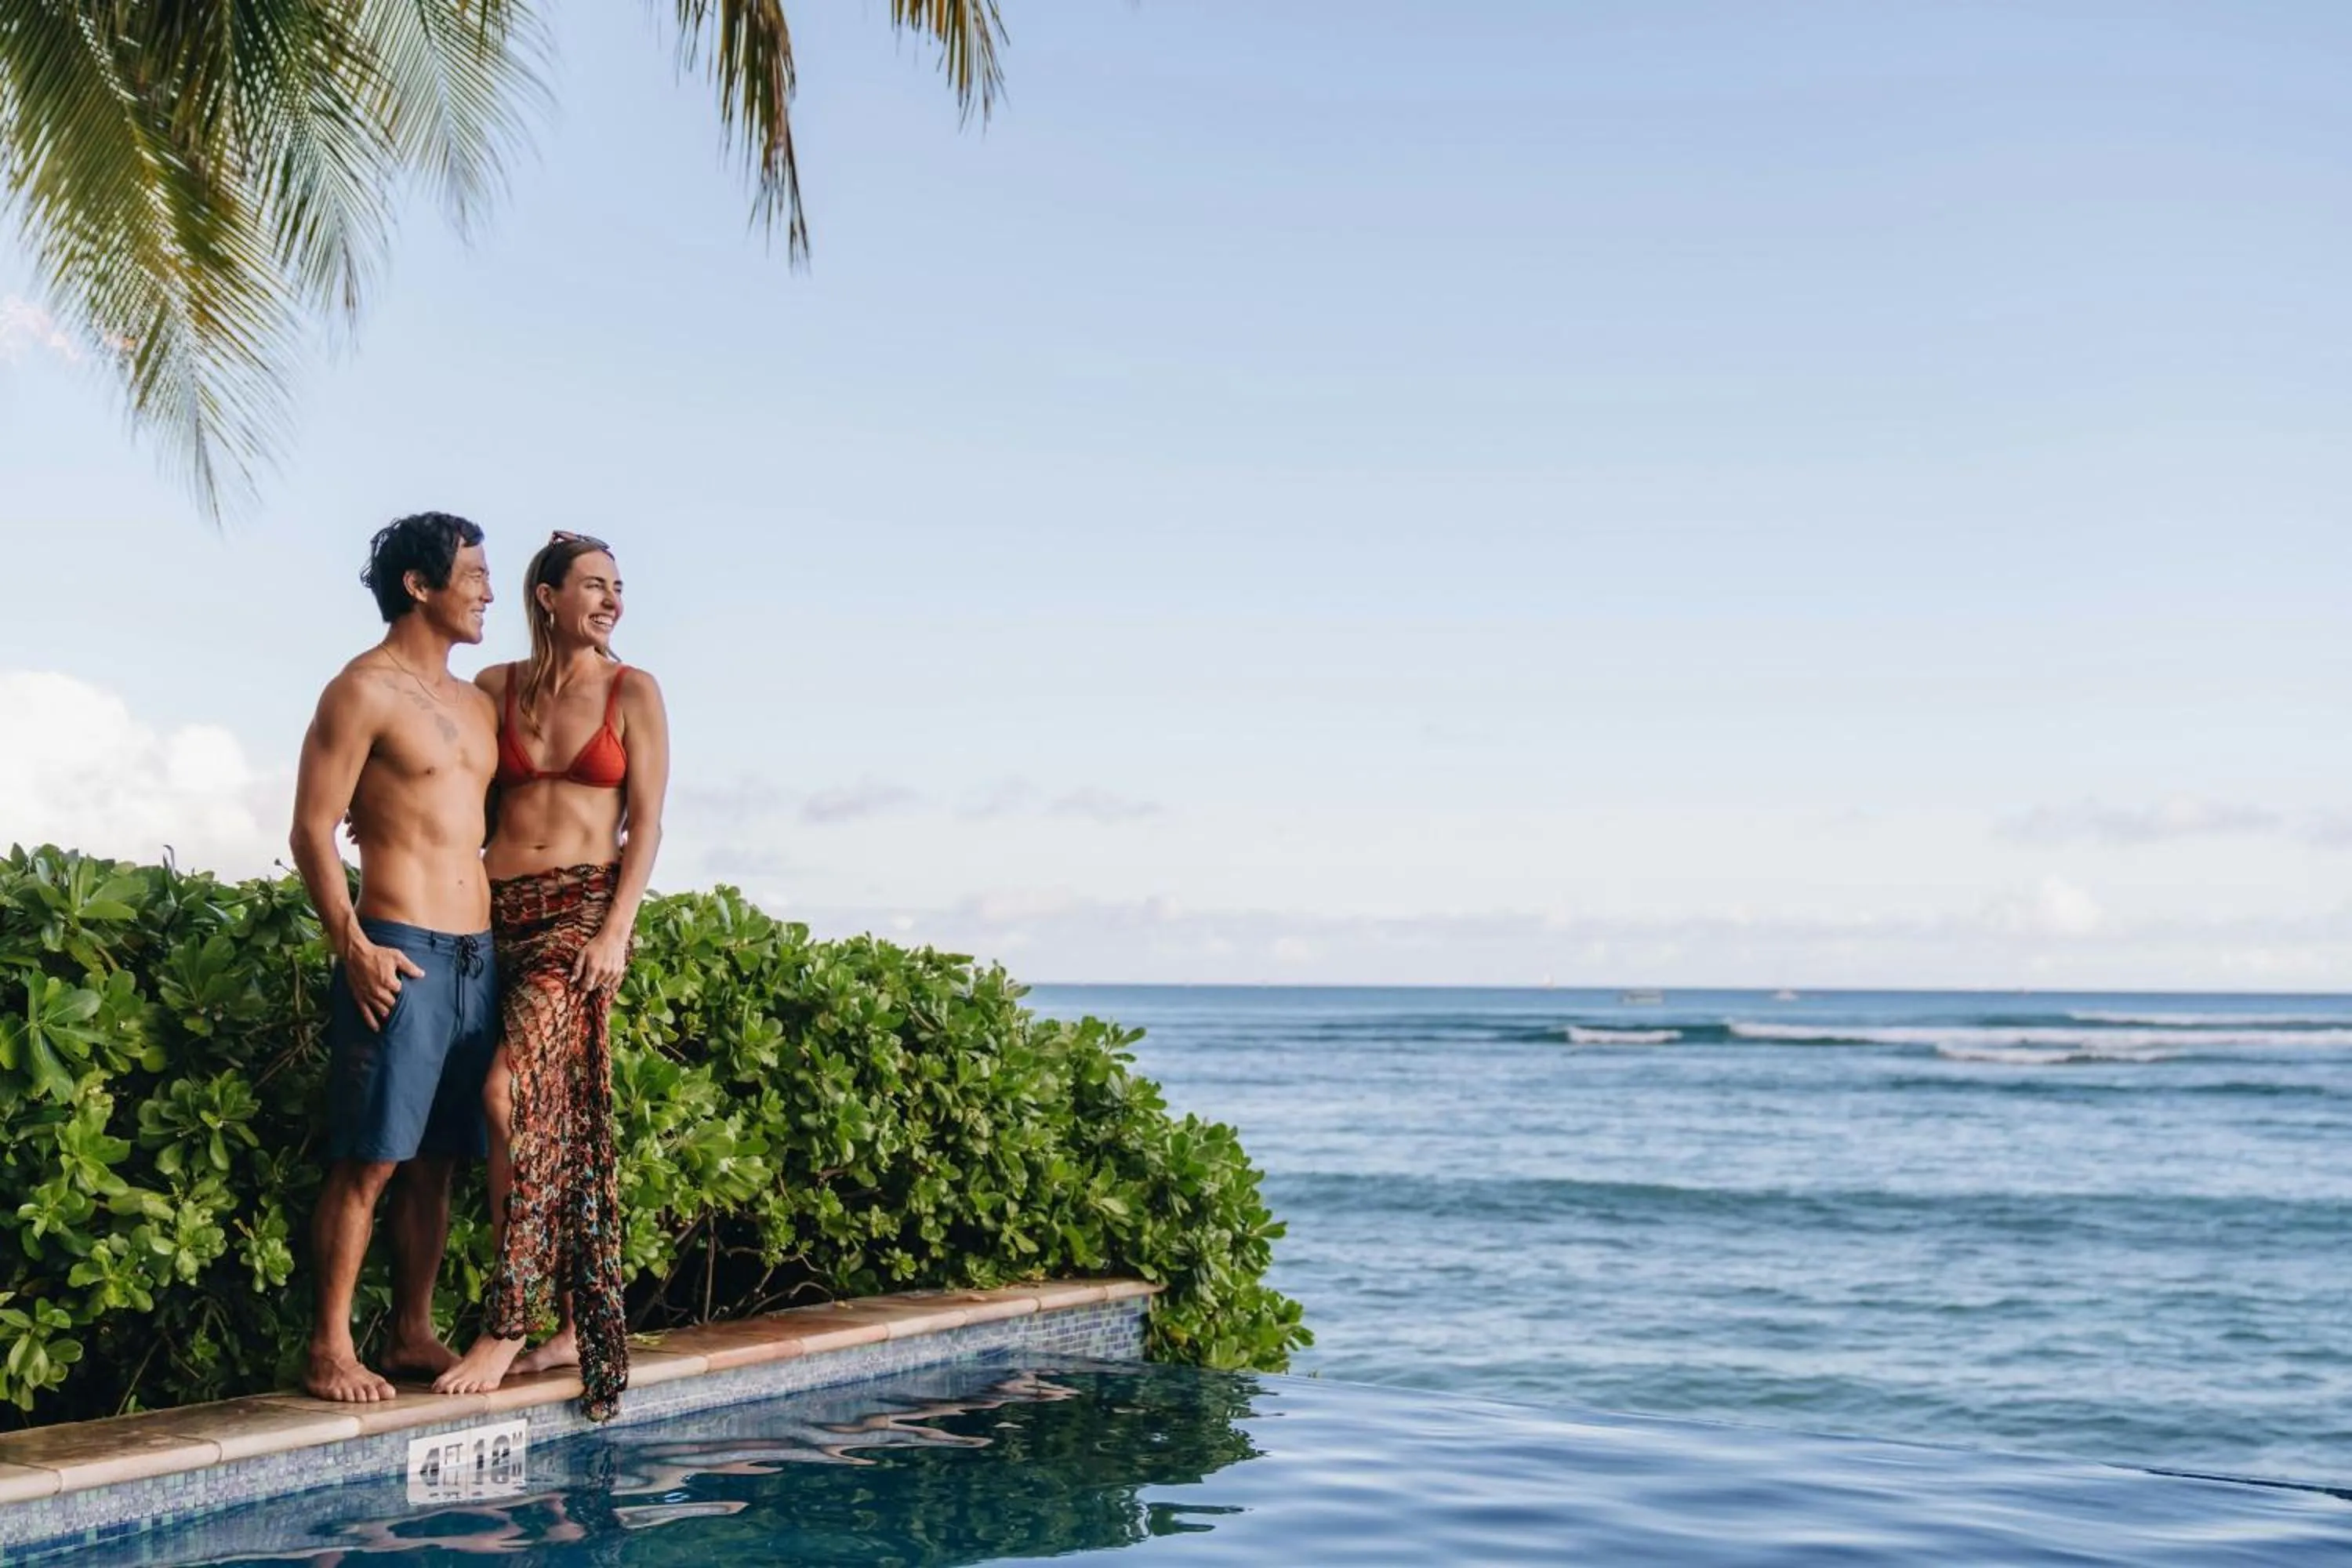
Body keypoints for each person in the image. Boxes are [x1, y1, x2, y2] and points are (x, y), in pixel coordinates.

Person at [435, 530, 670, 1421]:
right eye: (595, 585)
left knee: (507, 1093)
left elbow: (643, 826)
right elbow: (447, 774)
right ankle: (567, 1321)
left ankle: (507, 1320)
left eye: (618, 587)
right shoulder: (494, 688)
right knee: (540, 1117)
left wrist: (617, 930)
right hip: (491, 912)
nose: (611, 600)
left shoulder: (632, 690)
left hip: (578, 921)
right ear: (546, 595)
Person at [289, 512, 499, 1402]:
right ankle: (330, 1346)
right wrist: (355, 945)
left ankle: (411, 1328)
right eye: (474, 573)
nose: (487, 590)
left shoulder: (480, 703)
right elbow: (309, 827)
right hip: (402, 948)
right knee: (369, 1159)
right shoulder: (360, 690)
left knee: (439, 1160)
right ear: (420, 584)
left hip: (478, 957)